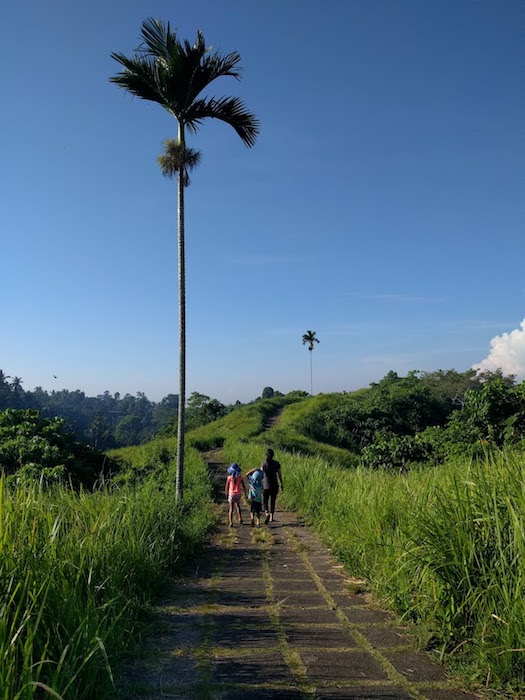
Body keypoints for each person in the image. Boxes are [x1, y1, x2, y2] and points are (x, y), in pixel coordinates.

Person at [260, 448, 283, 524]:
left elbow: (261, 473)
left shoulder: (264, 463)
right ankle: (271, 517)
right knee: (272, 501)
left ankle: (266, 513)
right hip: (274, 485)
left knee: (265, 500)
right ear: (273, 455)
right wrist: (281, 483)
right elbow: (279, 475)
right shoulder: (277, 464)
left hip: (265, 485)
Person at [225, 463, 247, 527]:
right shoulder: (240, 477)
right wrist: (245, 493)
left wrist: (226, 492)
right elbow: (243, 486)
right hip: (238, 493)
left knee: (231, 508)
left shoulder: (229, 478)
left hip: (231, 494)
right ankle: (240, 518)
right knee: (238, 506)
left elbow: (227, 486)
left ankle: (231, 522)